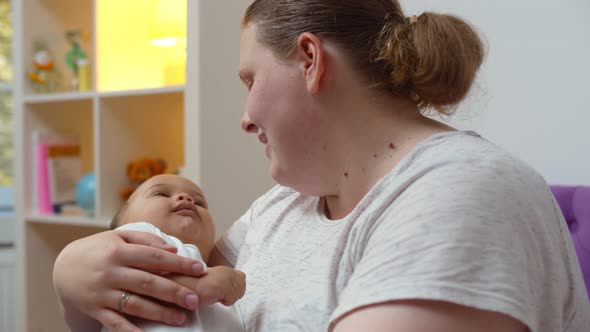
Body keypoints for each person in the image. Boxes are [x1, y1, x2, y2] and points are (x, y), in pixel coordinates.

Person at [53, 1, 590, 331]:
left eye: (250, 80)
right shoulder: (283, 208)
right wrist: (74, 282)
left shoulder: (460, 193)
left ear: (309, 60)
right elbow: (166, 304)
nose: (244, 118)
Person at [99, 173, 245, 332]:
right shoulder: (135, 235)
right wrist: (198, 285)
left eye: (199, 203)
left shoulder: (213, 274)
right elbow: (120, 280)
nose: (187, 198)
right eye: (161, 193)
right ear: (124, 221)